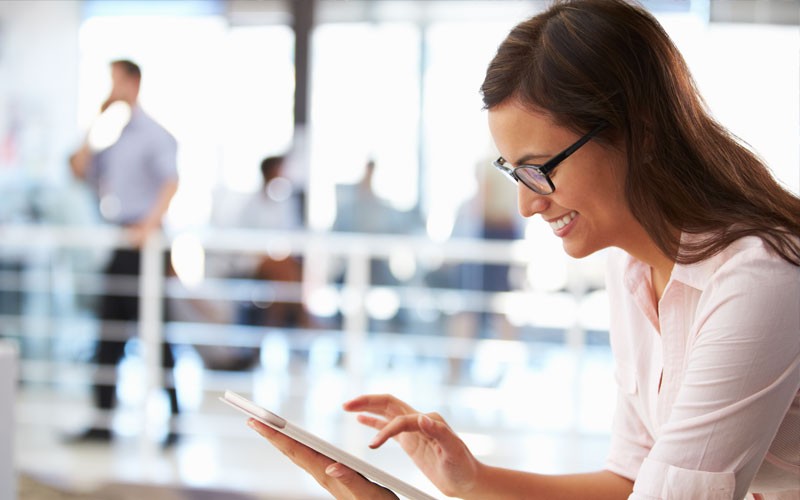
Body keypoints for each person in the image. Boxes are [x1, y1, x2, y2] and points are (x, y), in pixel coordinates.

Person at [247, 0, 800, 498]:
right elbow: (632, 481)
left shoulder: (756, 277)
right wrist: (472, 482)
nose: (526, 205)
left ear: (643, 133)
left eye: (539, 170)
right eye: (513, 172)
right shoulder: (631, 265)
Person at [69, 59, 180, 445]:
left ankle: (175, 423)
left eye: (114, 81)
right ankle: (101, 421)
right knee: (108, 333)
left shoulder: (153, 134)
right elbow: (79, 168)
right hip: (119, 242)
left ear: (131, 82)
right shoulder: (113, 137)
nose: (110, 88)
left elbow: (171, 182)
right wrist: (96, 120)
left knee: (157, 334)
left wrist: (147, 228)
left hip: (144, 246)